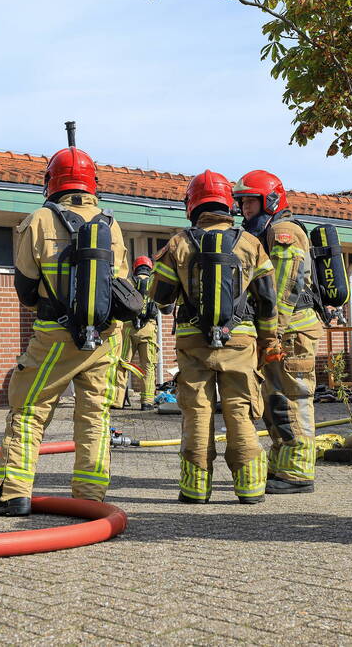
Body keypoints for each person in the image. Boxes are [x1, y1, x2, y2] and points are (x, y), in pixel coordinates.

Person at [0, 143, 129, 516]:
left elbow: (26, 289)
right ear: (92, 183)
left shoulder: (40, 220)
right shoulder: (112, 224)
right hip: (105, 338)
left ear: (51, 182)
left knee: (28, 411)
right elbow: (122, 286)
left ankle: (13, 494)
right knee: (95, 416)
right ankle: (90, 500)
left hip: (54, 337)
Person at [150, 170, 281, 503]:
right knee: (240, 411)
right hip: (241, 341)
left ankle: (195, 489)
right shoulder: (250, 243)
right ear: (228, 204)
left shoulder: (178, 243)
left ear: (192, 205)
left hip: (193, 342)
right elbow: (268, 300)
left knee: (197, 412)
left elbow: (161, 298)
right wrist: (268, 340)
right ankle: (250, 488)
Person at [235, 170, 323, 495]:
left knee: (292, 399)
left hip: (290, 333)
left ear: (270, 201)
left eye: (251, 202)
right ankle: (283, 464)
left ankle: (298, 472)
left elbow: (284, 287)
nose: (245, 208)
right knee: (275, 400)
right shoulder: (268, 231)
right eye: (242, 202)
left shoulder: (284, 231)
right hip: (281, 332)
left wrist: (271, 333)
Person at [113, 255, 162, 411]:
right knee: (148, 366)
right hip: (149, 330)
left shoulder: (128, 282)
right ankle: (147, 402)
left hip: (128, 328)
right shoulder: (155, 283)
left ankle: (118, 400)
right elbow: (166, 307)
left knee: (123, 364)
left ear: (135, 268)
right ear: (150, 268)